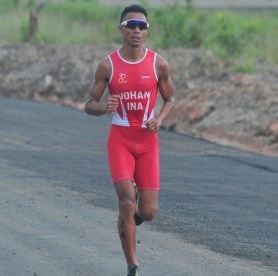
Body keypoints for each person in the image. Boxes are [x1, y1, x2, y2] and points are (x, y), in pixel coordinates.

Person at [84, 4, 175, 276]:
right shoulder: (108, 65)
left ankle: (130, 221)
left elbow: (170, 99)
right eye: (132, 25)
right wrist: (104, 107)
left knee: (147, 212)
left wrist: (159, 118)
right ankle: (132, 265)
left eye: (142, 26)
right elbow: (90, 104)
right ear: (121, 28)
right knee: (126, 201)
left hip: (147, 142)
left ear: (146, 31)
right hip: (121, 140)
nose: (137, 31)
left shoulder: (158, 63)